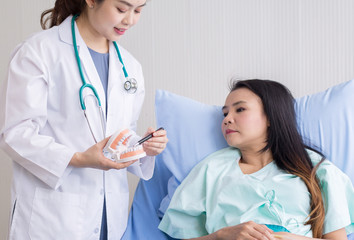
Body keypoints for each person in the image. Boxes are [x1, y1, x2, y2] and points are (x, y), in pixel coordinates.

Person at [0, 0, 168, 239]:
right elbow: (15, 134)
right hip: (53, 218)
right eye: (122, 9)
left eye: (138, 10)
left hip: (110, 217)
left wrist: (144, 147)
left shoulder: (130, 67)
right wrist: (78, 158)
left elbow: (122, 134)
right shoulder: (39, 51)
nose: (130, 20)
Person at [158, 79, 354, 240]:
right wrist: (222, 235)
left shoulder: (316, 169)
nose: (227, 119)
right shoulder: (211, 170)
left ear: (270, 116)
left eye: (240, 110)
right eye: (225, 113)